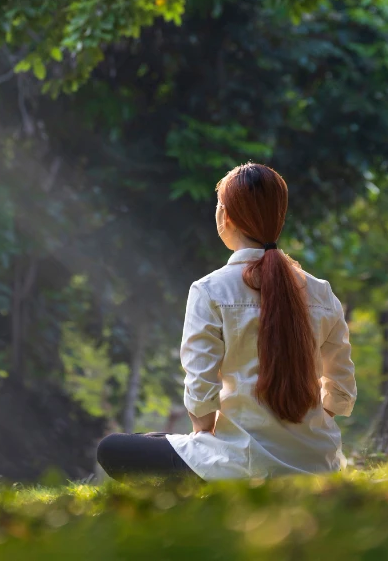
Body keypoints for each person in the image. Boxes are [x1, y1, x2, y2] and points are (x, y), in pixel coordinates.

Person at [96, 162, 356, 480]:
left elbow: (201, 398)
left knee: (114, 449)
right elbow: (341, 392)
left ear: (226, 217)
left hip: (240, 465)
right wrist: (299, 433)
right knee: (154, 442)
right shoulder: (322, 292)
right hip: (318, 463)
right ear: (279, 217)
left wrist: (205, 435)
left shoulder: (210, 290)